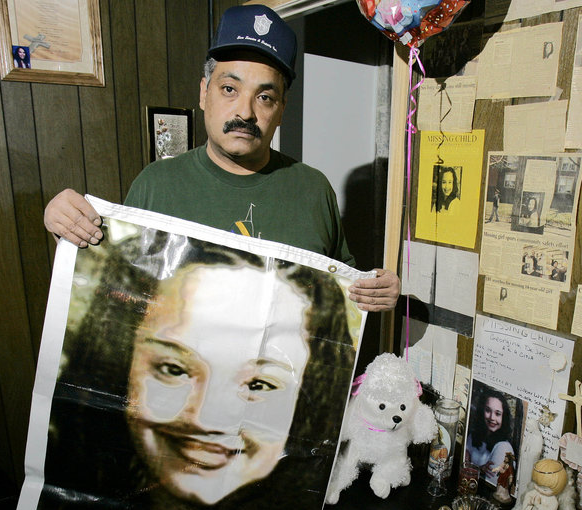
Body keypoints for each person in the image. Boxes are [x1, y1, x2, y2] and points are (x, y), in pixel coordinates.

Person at [32, 232, 355, 510]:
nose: (207, 418)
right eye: (173, 369)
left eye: (259, 384)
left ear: (310, 399)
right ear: (120, 366)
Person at [42, 5, 399, 313]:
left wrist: (378, 291)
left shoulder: (313, 189)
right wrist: (68, 227)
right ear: (204, 92)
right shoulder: (157, 183)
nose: (244, 111)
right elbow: (117, 284)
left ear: (281, 109)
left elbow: (344, 291)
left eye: (265, 97)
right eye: (230, 89)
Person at [465, 388, 516, 488]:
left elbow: (493, 484)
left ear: (503, 417)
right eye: (488, 410)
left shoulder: (504, 448)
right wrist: (480, 469)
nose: (492, 417)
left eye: (498, 414)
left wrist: (475, 469)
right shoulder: (473, 436)